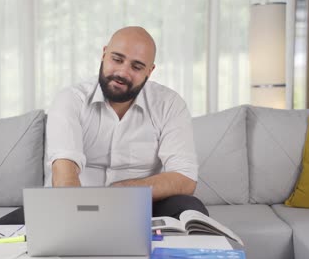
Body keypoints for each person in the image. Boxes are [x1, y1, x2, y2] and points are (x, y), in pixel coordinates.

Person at [45, 26, 208, 218]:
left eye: (137, 67)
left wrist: (121, 191)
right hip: (74, 206)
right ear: (104, 54)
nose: (123, 72)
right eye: (117, 59)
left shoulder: (169, 104)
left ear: (150, 71)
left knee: (189, 206)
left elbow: (185, 178)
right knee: (4, 229)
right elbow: (65, 175)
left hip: (140, 207)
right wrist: (81, 220)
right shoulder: (70, 99)